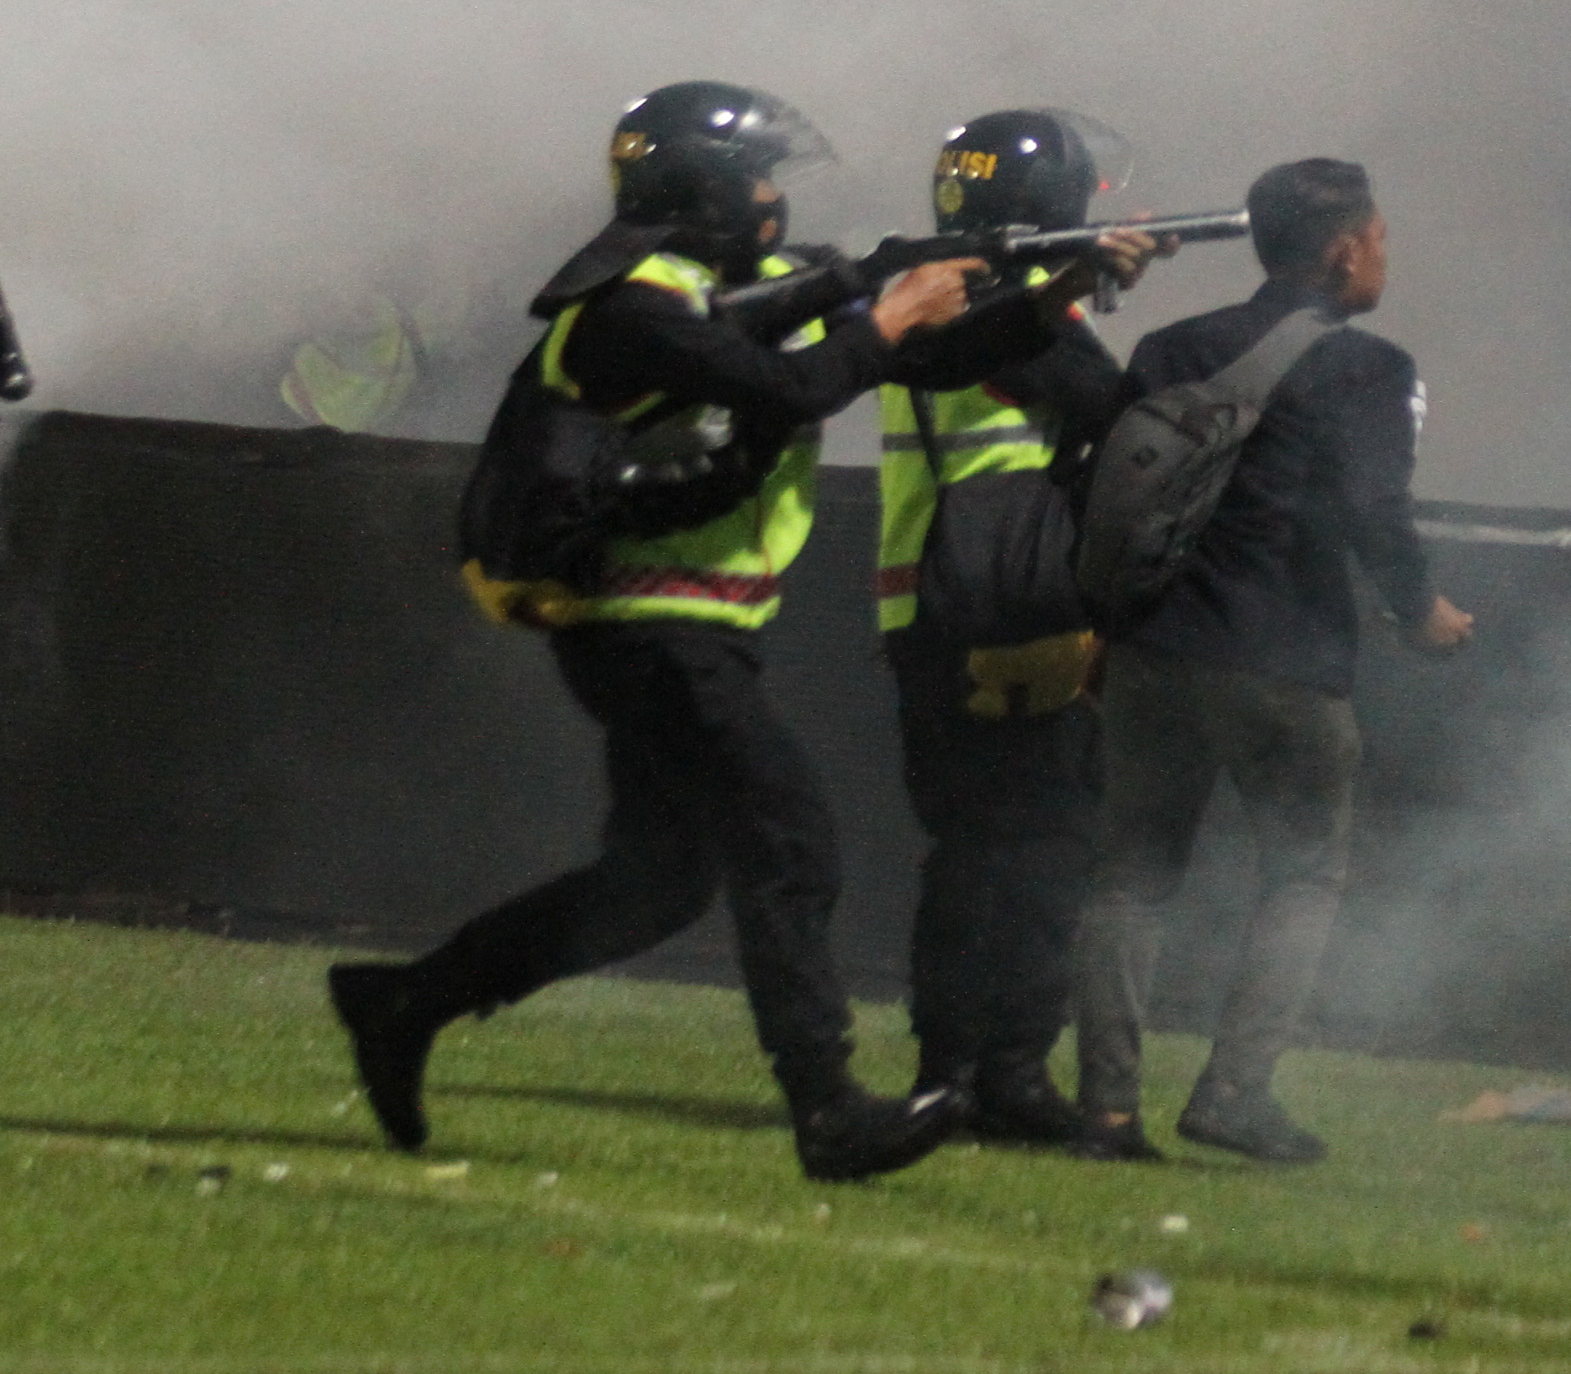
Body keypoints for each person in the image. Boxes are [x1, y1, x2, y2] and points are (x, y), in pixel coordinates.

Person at [328, 82, 1053, 1183]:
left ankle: (407, 1001)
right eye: (758, 178)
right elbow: (792, 385)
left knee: (657, 885)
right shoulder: (633, 308)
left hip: (687, 626)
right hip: (651, 624)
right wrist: (885, 312)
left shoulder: (722, 294)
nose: (772, 199)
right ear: (707, 191)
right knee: (789, 843)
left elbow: (924, 359)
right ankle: (828, 1107)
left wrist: (1053, 292)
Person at [1070, 157, 1471, 1166]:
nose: (1383, 259)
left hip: (1155, 648)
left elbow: (1111, 495)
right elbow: (1374, 509)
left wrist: (1105, 628)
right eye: (1379, 240)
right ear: (1342, 251)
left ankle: (1107, 1113)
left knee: (1131, 879)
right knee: (1303, 878)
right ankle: (1234, 1095)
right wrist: (1420, 610)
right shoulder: (1368, 368)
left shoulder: (1172, 347)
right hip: (1283, 657)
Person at [873, 110, 1165, 1148]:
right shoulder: (1001, 303)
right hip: (1004, 606)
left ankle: (966, 1071)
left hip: (936, 602)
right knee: (1035, 850)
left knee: (983, 851)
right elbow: (1118, 407)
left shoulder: (937, 289)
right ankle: (993, 1073)